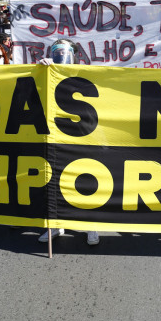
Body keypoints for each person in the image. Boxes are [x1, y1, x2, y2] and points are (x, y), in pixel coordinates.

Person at [36, 39, 101, 246]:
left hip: (83, 135)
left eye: (64, 52)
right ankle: (56, 224)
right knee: (54, 180)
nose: (60, 56)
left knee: (85, 180)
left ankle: (91, 225)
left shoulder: (84, 72)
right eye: (57, 52)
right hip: (54, 135)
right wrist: (40, 70)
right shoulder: (46, 70)